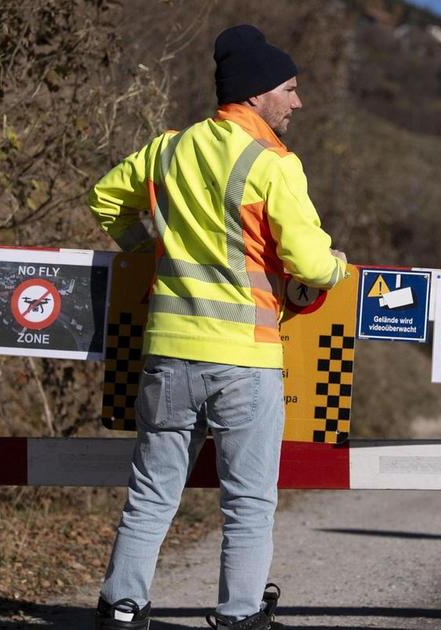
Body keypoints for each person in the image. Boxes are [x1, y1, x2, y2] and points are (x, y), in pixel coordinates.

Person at [88, 24, 348, 630]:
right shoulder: (275, 166)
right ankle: (238, 617)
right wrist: (336, 269)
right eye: (290, 88)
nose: (298, 102)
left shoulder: (167, 150)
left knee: (153, 494)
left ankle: (121, 609)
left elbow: (104, 199)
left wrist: (149, 253)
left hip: (168, 355)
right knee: (249, 502)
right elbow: (310, 265)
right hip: (245, 359)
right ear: (257, 94)